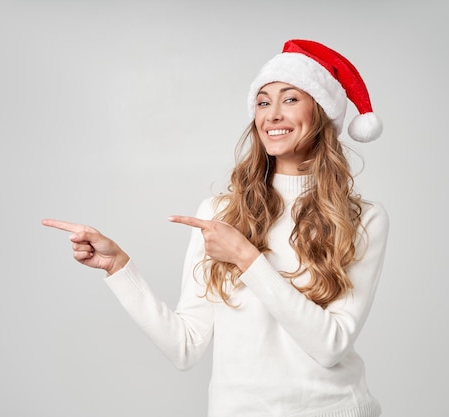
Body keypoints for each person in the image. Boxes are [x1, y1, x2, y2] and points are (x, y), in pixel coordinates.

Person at [43, 39, 389, 417]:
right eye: (262, 101)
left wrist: (245, 257)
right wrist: (119, 268)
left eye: (290, 99)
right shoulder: (220, 213)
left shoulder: (362, 218)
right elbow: (185, 347)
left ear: (321, 112)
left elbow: (331, 345)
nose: (271, 114)